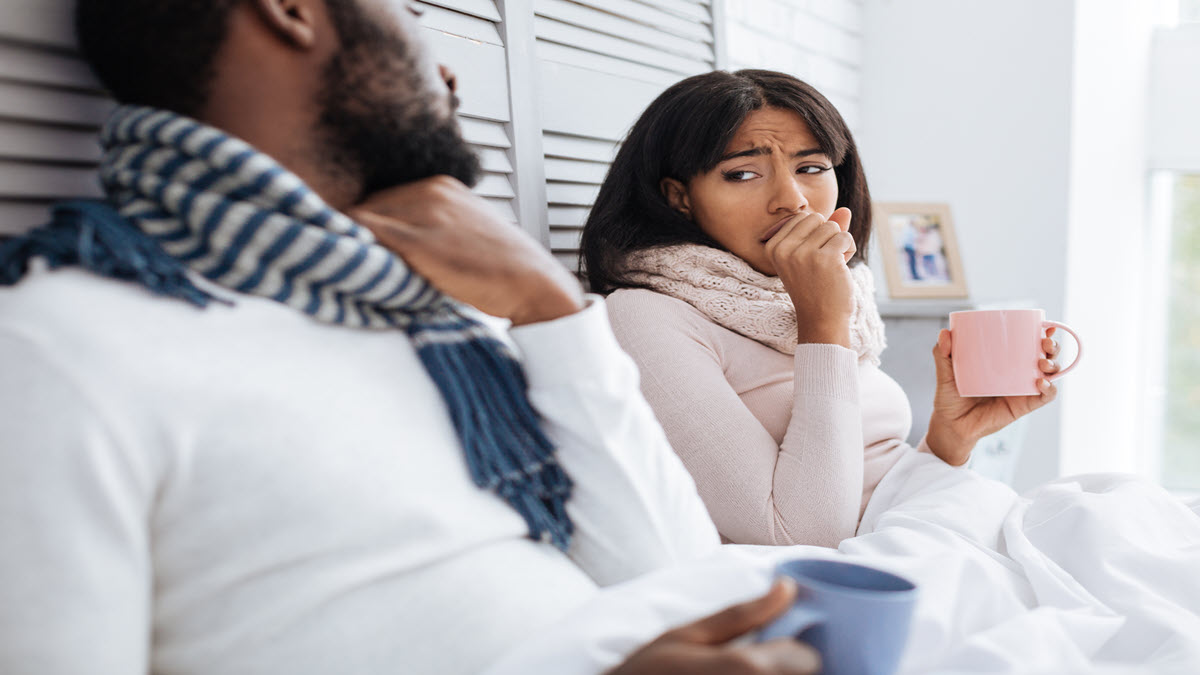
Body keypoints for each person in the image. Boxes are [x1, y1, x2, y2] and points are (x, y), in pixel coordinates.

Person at [0, 2, 822, 673]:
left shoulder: (448, 315)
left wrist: (551, 310)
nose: (451, 71)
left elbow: (669, 577)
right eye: (407, 13)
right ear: (290, 11)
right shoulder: (66, 344)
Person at [579, 70, 1061, 547]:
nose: (791, 201)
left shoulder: (805, 295)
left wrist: (948, 441)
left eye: (810, 168)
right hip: (871, 564)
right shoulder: (644, 317)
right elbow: (800, 535)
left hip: (935, 516)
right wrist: (822, 322)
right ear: (679, 197)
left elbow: (870, 482)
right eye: (743, 173)